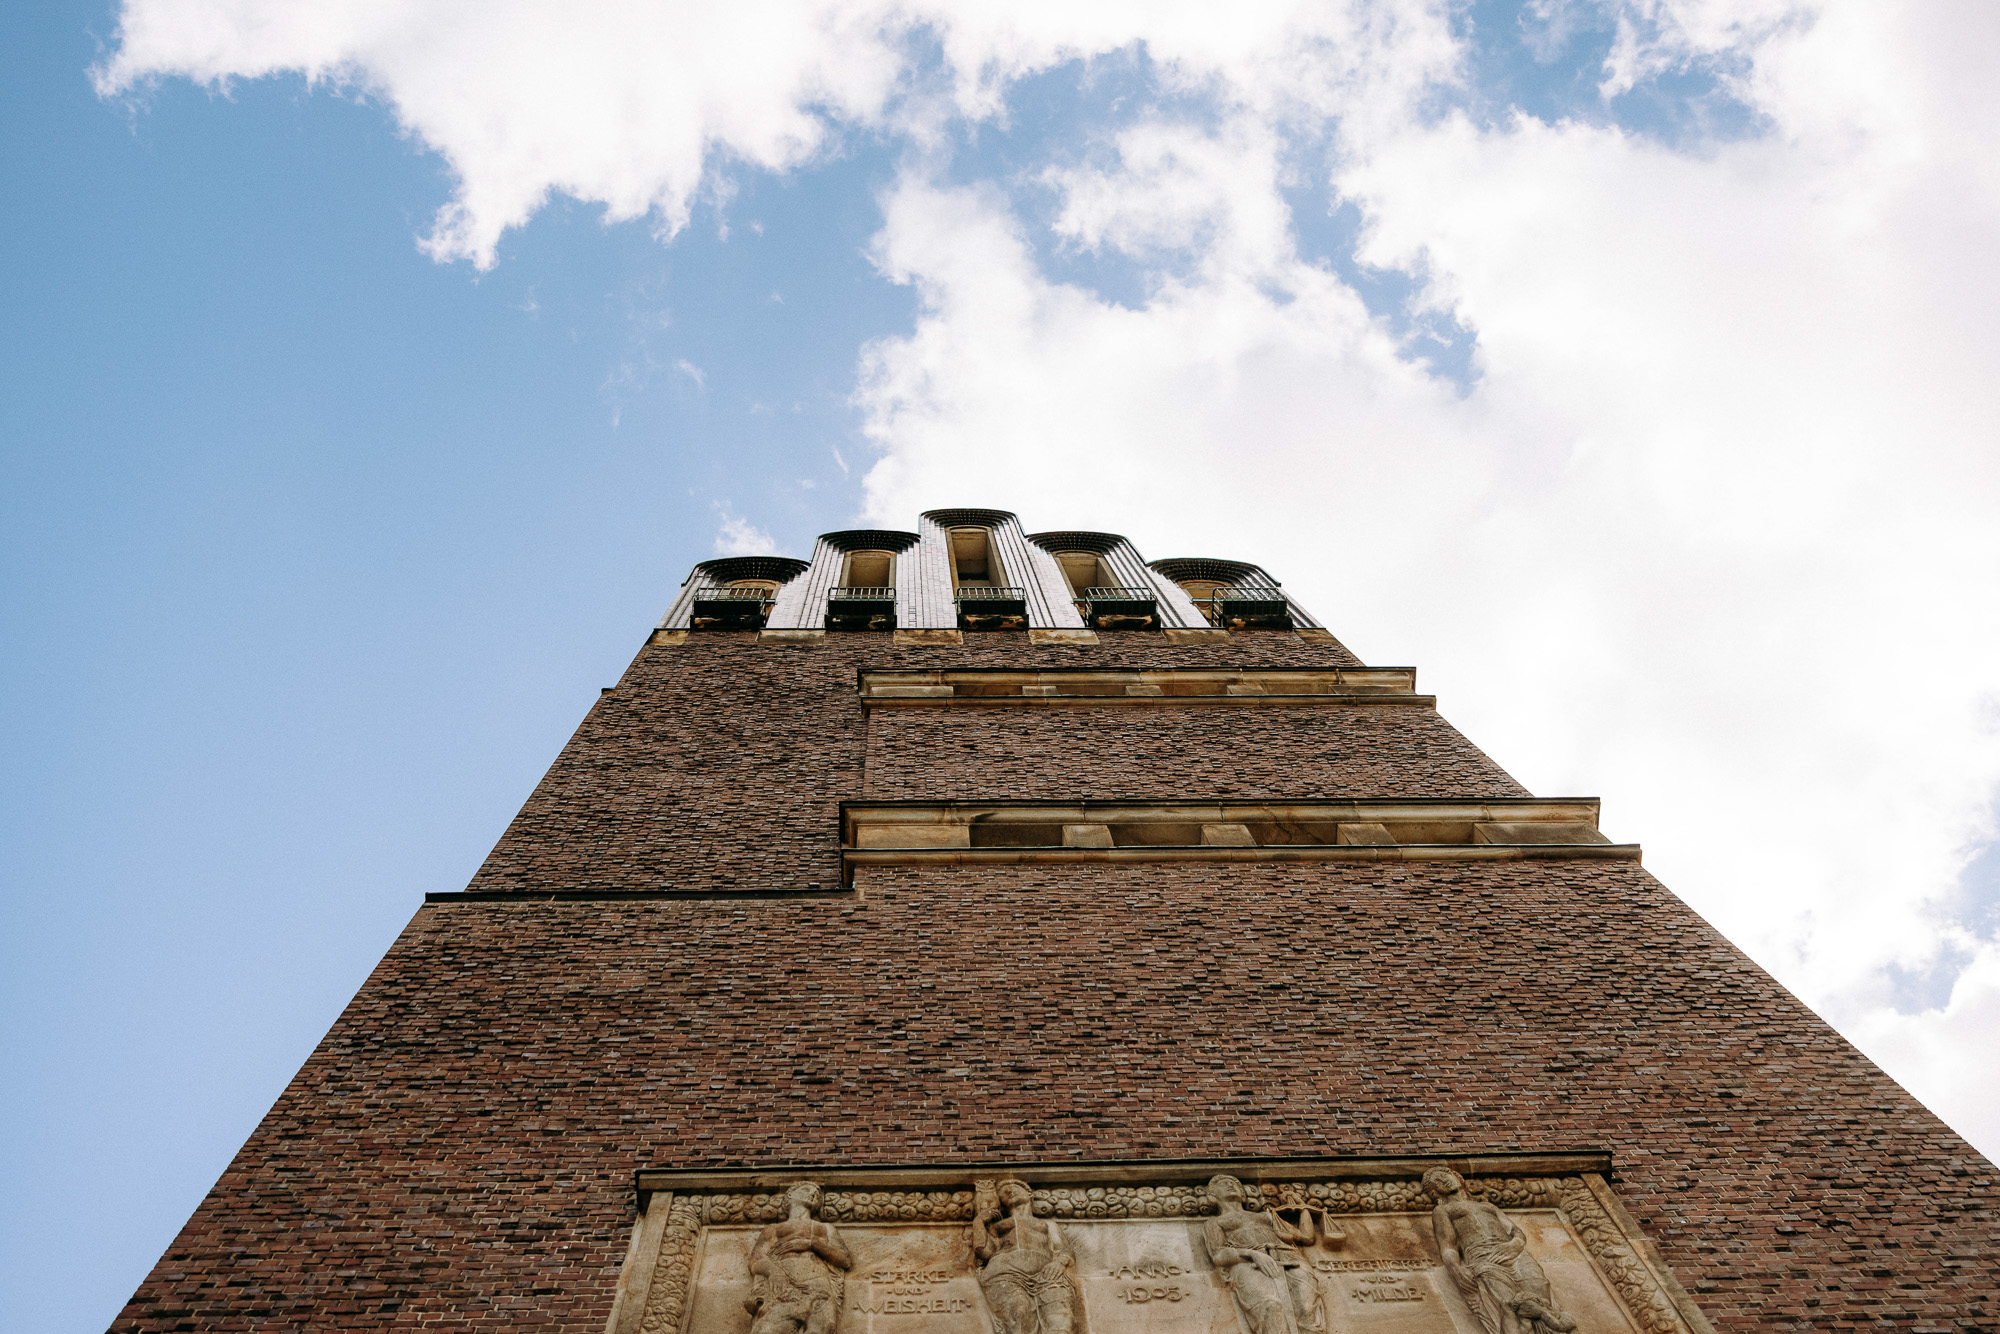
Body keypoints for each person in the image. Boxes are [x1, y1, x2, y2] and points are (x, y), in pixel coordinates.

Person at [1421, 1168, 1576, 1334]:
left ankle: (1554, 1326)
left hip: (1512, 1250)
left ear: (1458, 1178)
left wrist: (1516, 1243)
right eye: (1438, 1180)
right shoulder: (1443, 1210)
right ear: (1434, 1191)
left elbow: (1514, 1229)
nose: (1445, 1180)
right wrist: (1456, 1268)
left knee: (1540, 1286)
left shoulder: (1487, 1206)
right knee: (1508, 1303)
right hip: (1483, 1256)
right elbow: (1448, 1245)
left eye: (1447, 1175)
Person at [1200, 1175, 1325, 1334]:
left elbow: (1306, 1237)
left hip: (1290, 1258)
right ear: (1212, 1196)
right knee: (1270, 1306)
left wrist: (1303, 1209)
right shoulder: (1215, 1223)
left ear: (1243, 1194)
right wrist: (1251, 1254)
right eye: (1224, 1184)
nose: (1231, 1185)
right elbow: (1218, 1254)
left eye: (1235, 1183)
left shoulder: (1266, 1216)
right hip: (1249, 1263)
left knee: (1306, 1309)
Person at [745, 1181, 852, 1334]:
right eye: (806, 1189)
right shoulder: (773, 1229)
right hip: (784, 1284)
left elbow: (845, 1259)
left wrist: (811, 1244)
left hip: (818, 1283)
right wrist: (774, 1272)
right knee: (768, 1329)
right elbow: (755, 1261)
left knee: (823, 1327)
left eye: (818, 1194)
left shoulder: (826, 1228)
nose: (814, 1193)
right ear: (789, 1195)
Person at [973, 1178, 1076, 1334]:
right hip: (1005, 1273)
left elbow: (1064, 1250)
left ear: (1029, 1193)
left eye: (1015, 1187)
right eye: (1003, 1193)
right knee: (1019, 1316)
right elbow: (985, 1252)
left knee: (1062, 1319)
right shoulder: (997, 1226)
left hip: (1046, 1274)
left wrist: (1059, 1263)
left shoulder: (1048, 1225)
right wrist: (979, 1222)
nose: (1009, 1191)